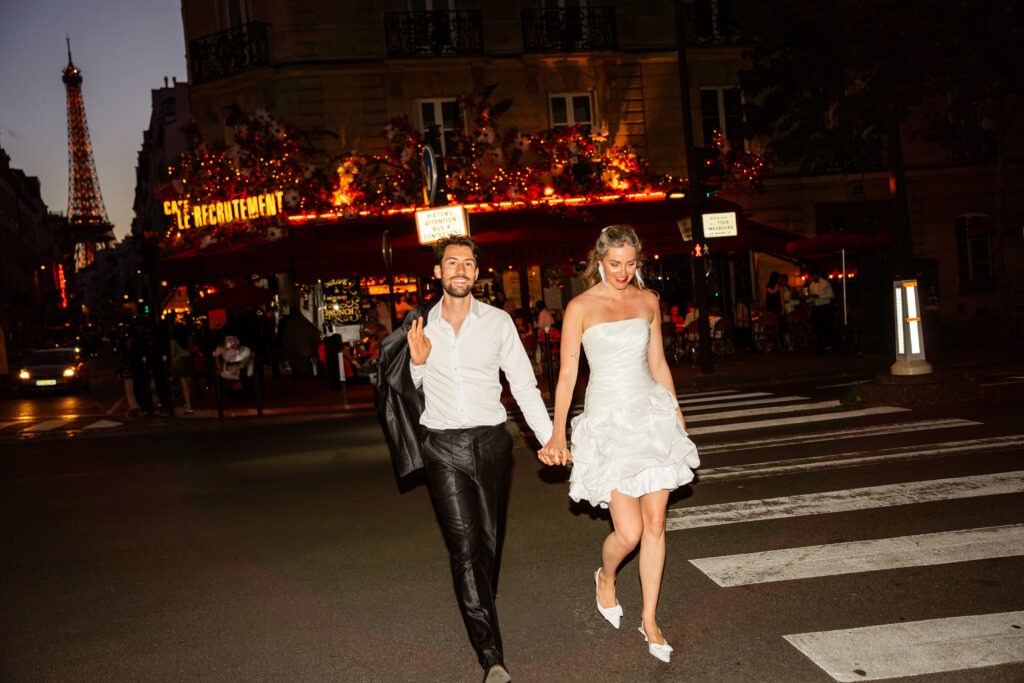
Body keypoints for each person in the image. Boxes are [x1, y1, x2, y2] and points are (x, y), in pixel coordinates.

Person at [538, 225, 699, 664]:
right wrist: (557, 431)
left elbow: (659, 363)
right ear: (599, 261)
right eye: (615, 264)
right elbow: (568, 373)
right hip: (608, 422)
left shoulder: (649, 302)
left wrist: (677, 416)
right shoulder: (580, 307)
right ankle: (605, 576)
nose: (623, 272)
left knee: (656, 525)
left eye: (630, 264)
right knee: (627, 533)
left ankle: (650, 619)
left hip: (651, 416)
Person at [406, 235, 553, 683]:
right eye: (451, 263)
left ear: (475, 273)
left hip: (491, 443)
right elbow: (403, 396)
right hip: (443, 448)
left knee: (488, 542)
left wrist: (548, 439)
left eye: (467, 264)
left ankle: (479, 602)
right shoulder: (418, 326)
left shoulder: (498, 322)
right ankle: (491, 657)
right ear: (437, 273)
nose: (460, 271)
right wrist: (416, 364)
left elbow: (523, 384)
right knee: (465, 550)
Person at [807, 267, 836, 351]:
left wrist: (819, 296)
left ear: (818, 275)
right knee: (815, 326)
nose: (813, 277)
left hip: (825, 307)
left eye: (814, 275)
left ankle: (828, 343)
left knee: (825, 326)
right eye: (812, 276)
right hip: (816, 307)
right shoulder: (812, 284)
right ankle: (820, 343)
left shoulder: (825, 283)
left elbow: (832, 295)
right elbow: (812, 297)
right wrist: (807, 299)